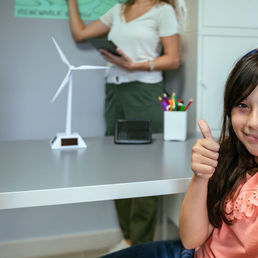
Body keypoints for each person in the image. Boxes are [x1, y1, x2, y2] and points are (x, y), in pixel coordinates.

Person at [101, 45, 258, 257]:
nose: (254, 122)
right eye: (243, 105)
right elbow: (191, 239)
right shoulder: (235, 152)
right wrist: (201, 175)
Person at [66, 0, 180, 249]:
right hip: (114, 92)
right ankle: (128, 238)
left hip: (145, 92)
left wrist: (135, 65)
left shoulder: (163, 11)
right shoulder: (118, 10)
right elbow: (80, 34)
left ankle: (139, 244)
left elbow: (173, 59)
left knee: (147, 171)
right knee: (117, 168)